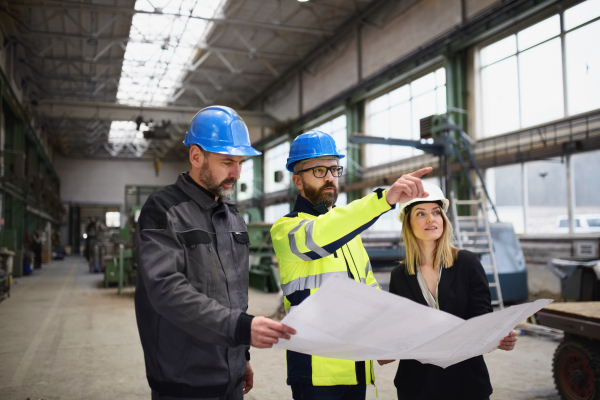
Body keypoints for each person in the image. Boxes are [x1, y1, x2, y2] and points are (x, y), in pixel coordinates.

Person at [134, 106, 296, 400]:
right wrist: (240, 328)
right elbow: (166, 290)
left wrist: (240, 355)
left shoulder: (231, 214)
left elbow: (234, 294)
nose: (235, 172)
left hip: (230, 380)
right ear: (196, 156)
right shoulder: (162, 210)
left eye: (240, 162)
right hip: (183, 383)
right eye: (226, 162)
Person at [271, 130, 433, 400]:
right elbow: (322, 233)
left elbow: (369, 290)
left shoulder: (348, 233)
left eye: (335, 169)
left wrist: (383, 337)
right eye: (320, 170)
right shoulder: (286, 230)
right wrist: (384, 199)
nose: (330, 178)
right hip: (316, 368)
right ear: (297, 180)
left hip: (356, 363)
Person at [379, 181, 518, 400]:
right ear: (409, 223)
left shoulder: (467, 263)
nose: (431, 219)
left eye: (436, 212)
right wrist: (385, 349)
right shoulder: (400, 275)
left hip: (465, 381)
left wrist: (498, 337)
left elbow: (482, 318)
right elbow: (398, 328)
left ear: (444, 219)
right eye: (421, 214)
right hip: (416, 384)